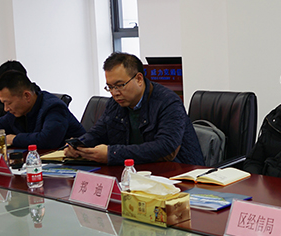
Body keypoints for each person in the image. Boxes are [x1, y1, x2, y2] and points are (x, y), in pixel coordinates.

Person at [66, 52, 203, 165]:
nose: (114, 93)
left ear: (139, 79)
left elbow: (165, 147)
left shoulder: (168, 102)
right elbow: (98, 132)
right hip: (137, 172)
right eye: (110, 87)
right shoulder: (115, 104)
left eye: (120, 85)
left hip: (180, 174)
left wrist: (112, 154)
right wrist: (79, 145)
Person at [0, 71, 85, 150]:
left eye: (8, 103)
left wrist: (14, 139)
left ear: (27, 96)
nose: (6, 108)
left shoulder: (54, 107)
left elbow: (48, 140)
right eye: (3, 103)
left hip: (75, 164)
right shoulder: (17, 112)